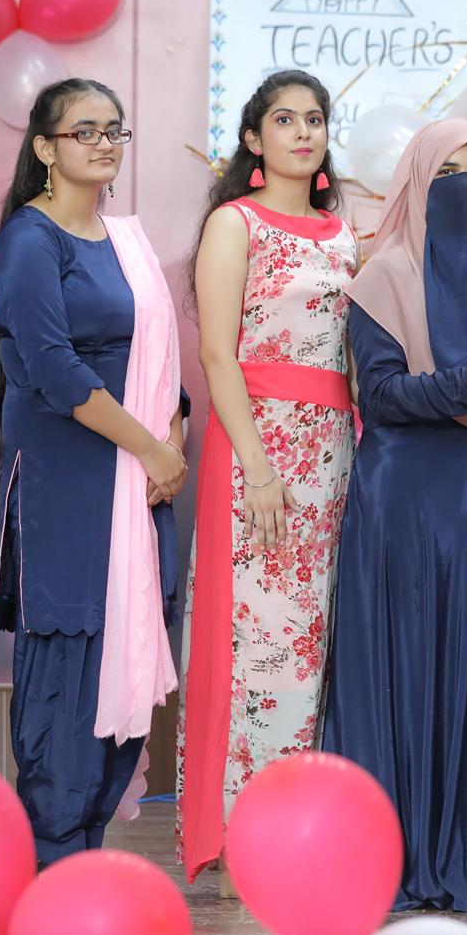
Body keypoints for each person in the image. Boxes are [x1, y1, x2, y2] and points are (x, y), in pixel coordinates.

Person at [324, 120, 467, 911]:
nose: (463, 189)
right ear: (416, 185)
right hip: (406, 502)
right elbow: (382, 396)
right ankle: (392, 851)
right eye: (446, 173)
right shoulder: (383, 276)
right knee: (404, 668)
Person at [0, 78, 187, 865]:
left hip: (137, 483)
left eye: (114, 130)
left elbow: (158, 356)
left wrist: (172, 436)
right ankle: (52, 867)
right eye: (84, 131)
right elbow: (54, 370)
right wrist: (151, 448)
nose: (104, 144)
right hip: (69, 485)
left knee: (122, 662)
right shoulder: (30, 240)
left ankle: (87, 867)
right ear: (45, 147)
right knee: (70, 673)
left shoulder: (122, 240)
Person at [176, 70, 357, 886]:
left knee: (314, 640)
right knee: (257, 640)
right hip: (258, 450)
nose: (302, 132)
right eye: (284, 120)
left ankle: (301, 827)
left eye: (314, 119)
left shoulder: (343, 234)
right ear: (254, 138)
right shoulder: (234, 223)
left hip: (333, 452)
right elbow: (217, 354)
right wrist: (255, 465)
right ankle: (243, 829)